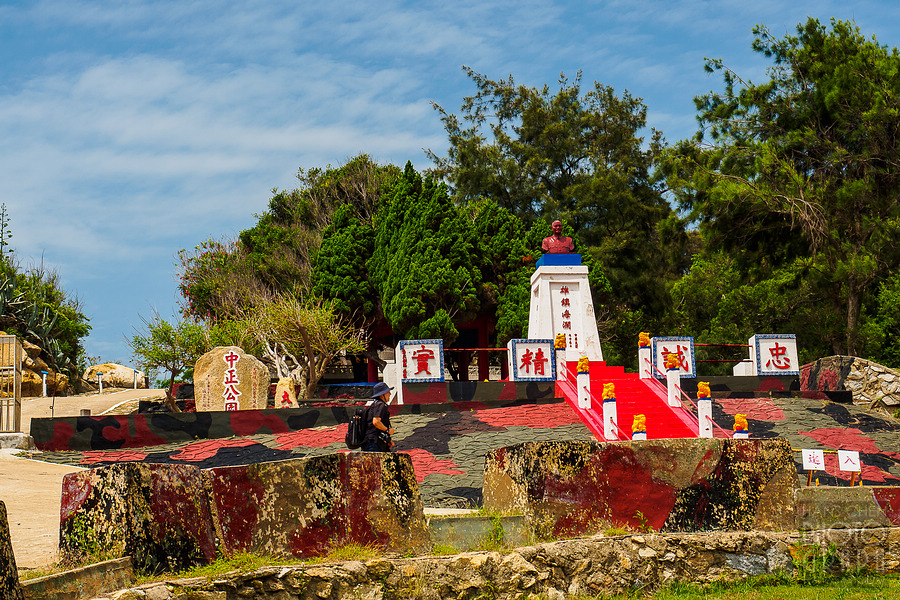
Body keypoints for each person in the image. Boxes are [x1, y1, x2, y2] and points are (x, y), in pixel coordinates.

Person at [362, 381, 395, 452]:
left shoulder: (375, 405)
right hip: (374, 443)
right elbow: (376, 422)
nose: (390, 394)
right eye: (388, 392)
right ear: (382, 395)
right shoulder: (380, 405)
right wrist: (388, 430)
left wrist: (388, 440)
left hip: (373, 441)